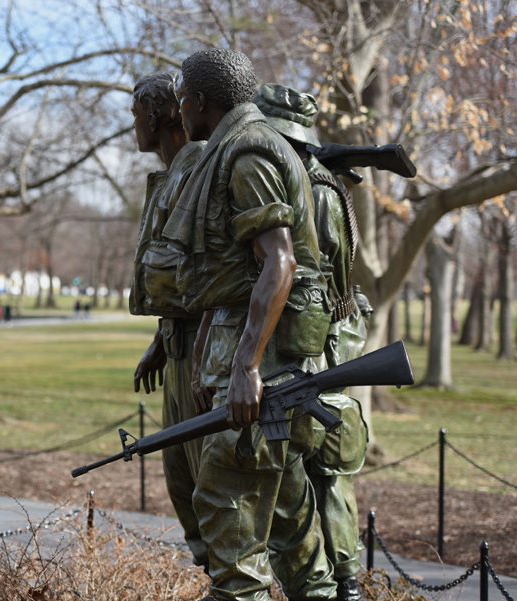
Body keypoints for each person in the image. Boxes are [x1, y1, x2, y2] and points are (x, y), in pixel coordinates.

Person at [162, 48, 335, 601]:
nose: (180, 108)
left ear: (201, 102)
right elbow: (231, 275)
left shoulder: (247, 155)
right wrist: (209, 352)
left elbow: (278, 262)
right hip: (262, 378)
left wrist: (245, 366)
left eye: (183, 97)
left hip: (265, 381)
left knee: (230, 538)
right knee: (294, 539)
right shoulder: (234, 148)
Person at [254, 83, 372, 601]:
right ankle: (344, 581)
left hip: (308, 353)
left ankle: (330, 586)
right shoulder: (330, 186)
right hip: (333, 347)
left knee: (304, 479)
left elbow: (304, 281)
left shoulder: (302, 188)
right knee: (331, 478)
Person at [127, 70, 208, 569]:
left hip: (204, 351)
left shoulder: (198, 167)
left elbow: (212, 266)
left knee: (214, 492)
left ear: (154, 115)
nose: (133, 125)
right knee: (183, 487)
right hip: (177, 346)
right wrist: (162, 336)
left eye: (136, 114)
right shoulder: (168, 175)